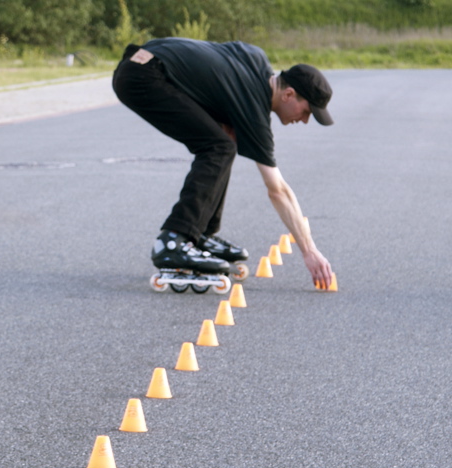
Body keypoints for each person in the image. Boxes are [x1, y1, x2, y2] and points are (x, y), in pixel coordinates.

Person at [112, 37, 334, 288]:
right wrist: (309, 250)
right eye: (306, 112)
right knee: (218, 147)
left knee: (224, 141)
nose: (304, 120)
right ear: (289, 94)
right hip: (143, 77)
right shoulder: (253, 105)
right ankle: (174, 240)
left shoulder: (256, 59)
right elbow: (277, 190)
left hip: (142, 60)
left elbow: (215, 66)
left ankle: (200, 234)